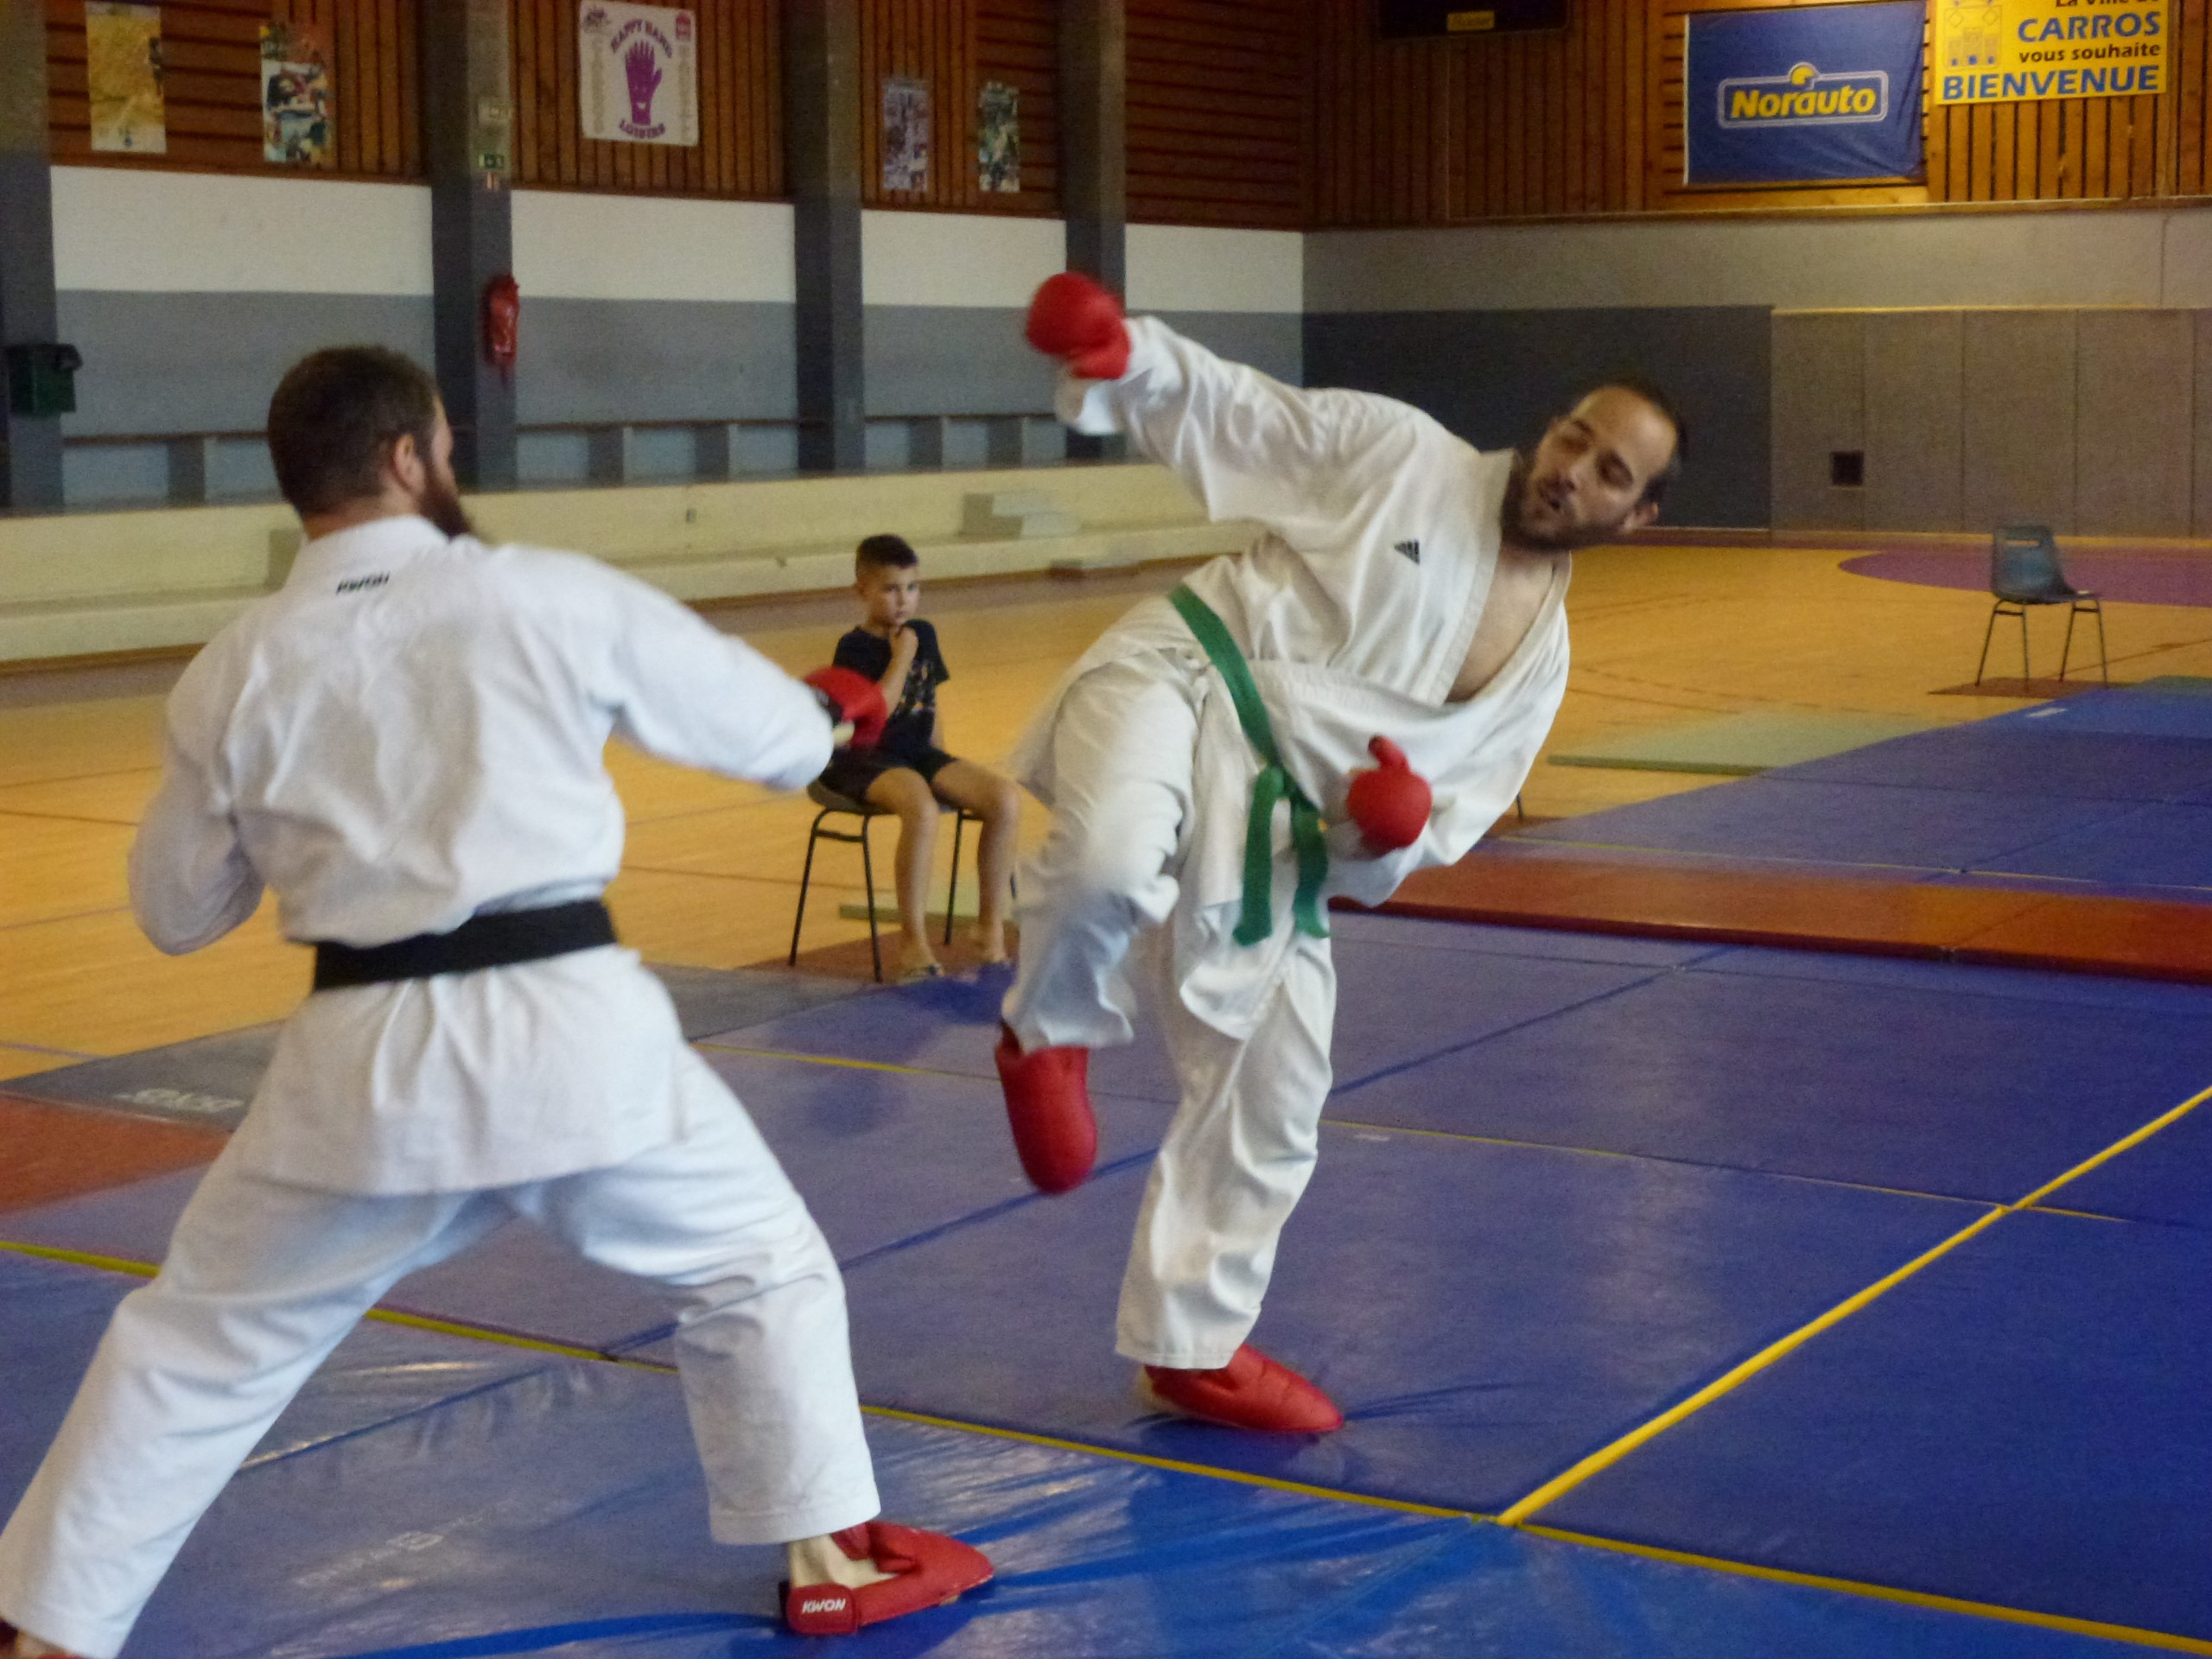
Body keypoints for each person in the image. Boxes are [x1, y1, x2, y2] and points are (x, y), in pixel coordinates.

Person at [0, 347, 989, 1659]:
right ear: (409, 455)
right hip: (566, 1029)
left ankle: (49, 1628)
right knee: (759, 1266)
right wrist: (827, 715)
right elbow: (772, 739)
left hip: (357, 1060)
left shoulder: (233, 667)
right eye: (446, 445)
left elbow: (175, 912)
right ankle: (829, 1557)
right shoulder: (539, 592)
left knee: (194, 1345)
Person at [994, 274, 1683, 1433]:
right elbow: (1244, 414)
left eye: (1612, 472)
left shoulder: (1540, 671)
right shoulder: (1404, 454)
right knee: (1111, 861)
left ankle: (1190, 1347)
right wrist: (1130, 354)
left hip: (1281, 835)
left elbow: (1443, 819)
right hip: (1185, 681)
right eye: (1575, 435)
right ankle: (1048, 1031)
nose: (1574, 469)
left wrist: (1382, 827)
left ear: (1638, 516)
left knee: (1277, 1095)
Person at [817, 534, 1022, 982]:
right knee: (921, 807)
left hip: (915, 754)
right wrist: (902, 657)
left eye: (911, 588)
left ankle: (989, 927)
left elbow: (930, 702)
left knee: (1004, 799)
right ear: (862, 591)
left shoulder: (923, 634)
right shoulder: (853, 647)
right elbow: (878, 710)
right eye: (890, 589)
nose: (903, 600)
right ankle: (913, 942)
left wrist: (943, 763)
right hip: (864, 759)